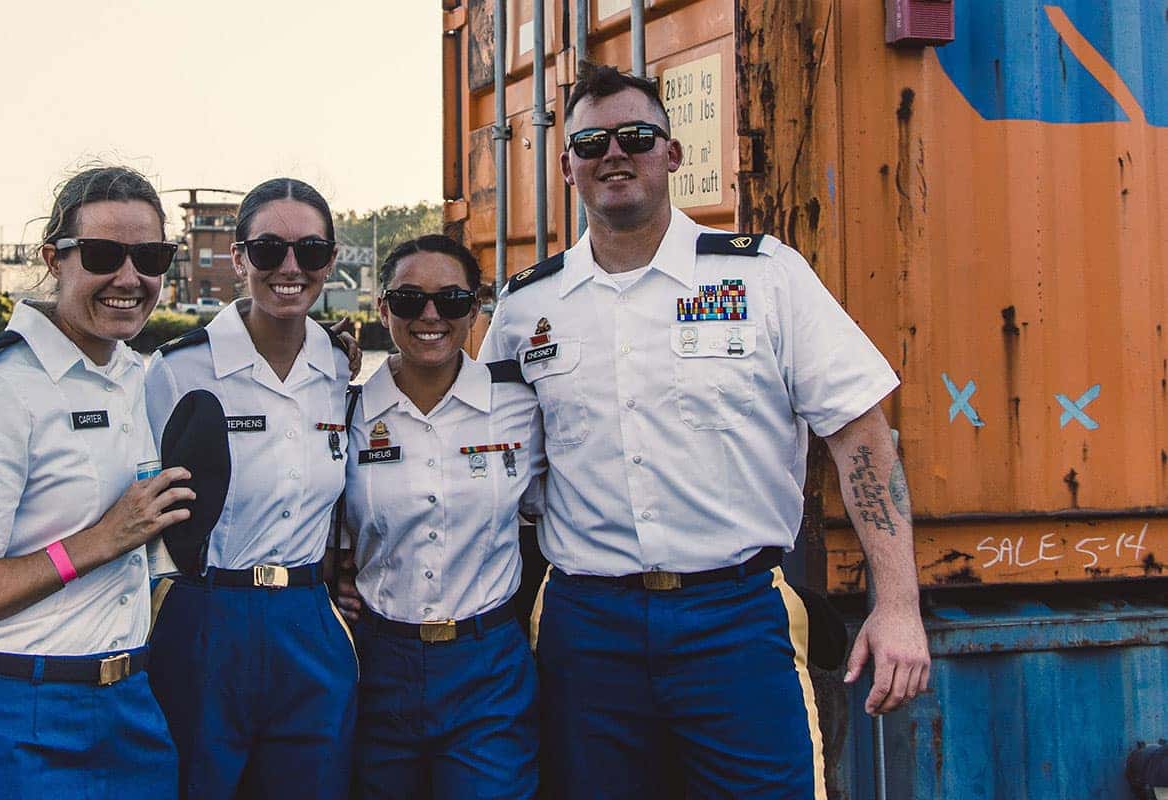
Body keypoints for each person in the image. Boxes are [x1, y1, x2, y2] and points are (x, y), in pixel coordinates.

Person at [477, 61, 932, 798]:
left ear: (673, 153)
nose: (613, 154)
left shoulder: (765, 279)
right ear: (566, 167)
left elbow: (863, 439)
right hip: (587, 627)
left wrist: (899, 605)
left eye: (636, 136)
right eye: (591, 143)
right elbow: (490, 467)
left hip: (735, 618)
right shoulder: (527, 309)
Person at [0, 166, 189, 799]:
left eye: (151, 256)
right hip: (8, 715)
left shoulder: (140, 379)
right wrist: (102, 539)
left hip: (129, 711)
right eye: (104, 255)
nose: (129, 278)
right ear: (53, 259)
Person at [144, 177, 357, 800]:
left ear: (331, 261)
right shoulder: (178, 370)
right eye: (268, 251)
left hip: (309, 618)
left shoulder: (338, 366)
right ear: (239, 259)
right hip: (209, 614)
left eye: (312, 252)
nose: (290, 268)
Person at [333, 234, 544, 798]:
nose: (430, 316)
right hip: (378, 661)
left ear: (475, 310)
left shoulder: (522, 406)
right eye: (408, 301)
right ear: (382, 309)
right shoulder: (347, 412)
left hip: (488, 667)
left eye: (451, 301)